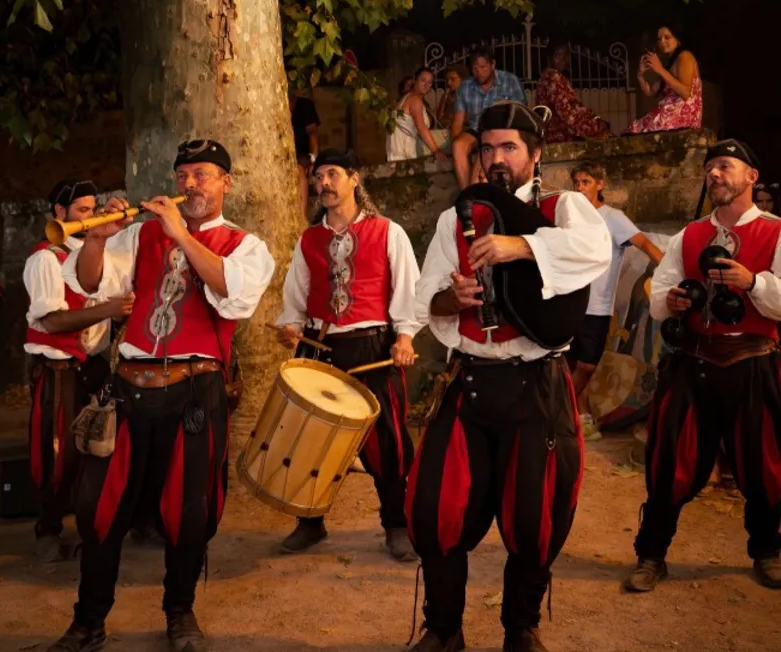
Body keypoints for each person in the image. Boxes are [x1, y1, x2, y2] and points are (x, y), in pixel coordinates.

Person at [47, 140, 275, 652]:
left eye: (202, 174)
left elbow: (233, 295)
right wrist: (96, 240)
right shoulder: (140, 233)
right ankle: (88, 622)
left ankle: (180, 611)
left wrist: (181, 235)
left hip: (195, 391)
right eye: (183, 175)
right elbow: (88, 283)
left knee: (188, 510)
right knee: (99, 507)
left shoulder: (245, 245)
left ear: (226, 182)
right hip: (129, 387)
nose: (190, 184)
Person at [408, 101, 611, 652]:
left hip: (536, 385)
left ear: (535, 154)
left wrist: (518, 245)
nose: (496, 159)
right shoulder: (454, 220)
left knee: (534, 514)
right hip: (470, 381)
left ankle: (521, 627)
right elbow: (426, 298)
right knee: (436, 508)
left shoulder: (563, 206)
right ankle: (443, 628)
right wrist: (454, 298)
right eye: (487, 148)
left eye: (509, 147)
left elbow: (593, 251)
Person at [623, 139, 781, 594]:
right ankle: (651, 554)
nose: (714, 173)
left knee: (765, 464)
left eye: (725, 166)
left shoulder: (776, 232)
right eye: (710, 167)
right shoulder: (689, 235)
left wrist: (753, 283)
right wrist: (671, 301)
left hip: (754, 361)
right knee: (669, 461)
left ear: (751, 176)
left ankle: (767, 551)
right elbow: (659, 295)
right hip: (693, 362)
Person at [274, 148, 421, 560]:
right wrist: (290, 326)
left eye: (332, 174)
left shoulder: (388, 231)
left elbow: (408, 289)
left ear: (355, 178)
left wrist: (405, 337)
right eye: (318, 176)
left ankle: (397, 524)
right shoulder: (308, 239)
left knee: (388, 440)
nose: (323, 183)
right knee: (311, 437)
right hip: (319, 346)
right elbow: (296, 295)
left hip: (372, 346)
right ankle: (310, 521)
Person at [23, 179, 135, 562]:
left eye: (93, 209)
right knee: (60, 455)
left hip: (93, 365)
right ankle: (48, 528)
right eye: (82, 211)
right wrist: (108, 309)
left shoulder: (99, 252)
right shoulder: (45, 259)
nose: (90, 217)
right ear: (60, 213)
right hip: (58, 368)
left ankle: (102, 524)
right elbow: (52, 321)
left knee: (106, 446)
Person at [567, 164, 664, 415]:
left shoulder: (612, 217)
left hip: (596, 306)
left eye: (586, 182)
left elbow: (644, 244)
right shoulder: (569, 216)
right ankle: (577, 415)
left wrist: (671, 273)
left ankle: (561, 411)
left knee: (587, 366)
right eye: (576, 182)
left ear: (600, 185)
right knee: (566, 363)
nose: (579, 188)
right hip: (567, 301)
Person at [450, 46, 527, 190]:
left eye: (483, 67)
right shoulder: (465, 87)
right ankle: (466, 193)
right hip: (475, 130)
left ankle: (474, 195)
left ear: (492, 65)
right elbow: (457, 122)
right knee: (458, 145)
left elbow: (521, 112)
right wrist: (454, 145)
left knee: (484, 152)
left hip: (500, 130)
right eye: (475, 69)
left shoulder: (510, 81)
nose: (479, 73)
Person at [627, 24, 702, 134]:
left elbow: (686, 92)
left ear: (678, 40)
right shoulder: (670, 64)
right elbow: (650, 91)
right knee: (632, 129)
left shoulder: (685, 56)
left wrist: (660, 69)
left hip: (683, 117)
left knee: (634, 131)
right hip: (668, 115)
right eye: (659, 39)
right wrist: (640, 74)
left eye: (667, 37)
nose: (662, 42)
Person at [534, 41, 611, 143]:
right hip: (562, 137)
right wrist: (595, 126)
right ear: (556, 56)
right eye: (565, 56)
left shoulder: (543, 79)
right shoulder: (555, 80)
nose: (567, 61)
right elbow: (568, 116)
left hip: (549, 135)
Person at [388, 67, 448, 163]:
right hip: (403, 152)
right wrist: (436, 151)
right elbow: (421, 127)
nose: (426, 85)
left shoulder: (407, 97)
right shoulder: (414, 99)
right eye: (423, 80)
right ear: (415, 80)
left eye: (430, 82)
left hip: (397, 150)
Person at [290, 93, 321, 214]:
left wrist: (313, 160)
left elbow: (313, 135)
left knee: (299, 170)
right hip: (283, 156)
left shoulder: (305, 105)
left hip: (302, 155)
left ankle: (302, 215)